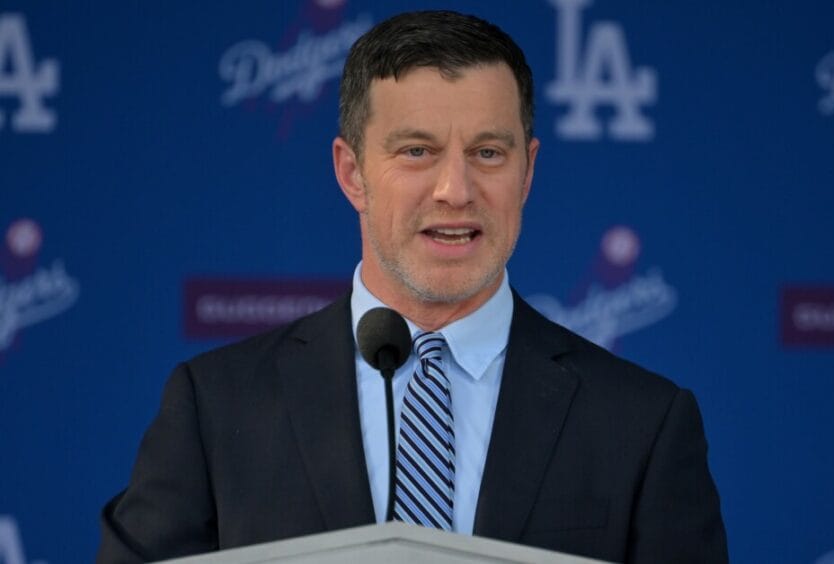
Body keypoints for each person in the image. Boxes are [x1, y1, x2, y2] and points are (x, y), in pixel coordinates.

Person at [98, 10, 727, 563]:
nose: (455, 190)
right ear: (352, 173)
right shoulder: (214, 407)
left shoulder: (643, 424)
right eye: (417, 151)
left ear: (528, 171)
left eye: (488, 153)